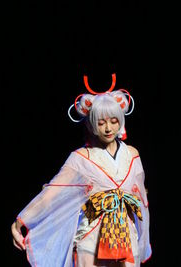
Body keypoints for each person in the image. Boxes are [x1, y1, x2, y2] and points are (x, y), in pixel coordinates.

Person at [11, 73, 152, 267]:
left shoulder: (132, 154)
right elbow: (53, 193)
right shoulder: (81, 157)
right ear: (92, 124)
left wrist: (143, 237)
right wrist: (22, 221)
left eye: (113, 121)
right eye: (101, 123)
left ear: (121, 121)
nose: (108, 128)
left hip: (125, 236)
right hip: (92, 237)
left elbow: (141, 200)